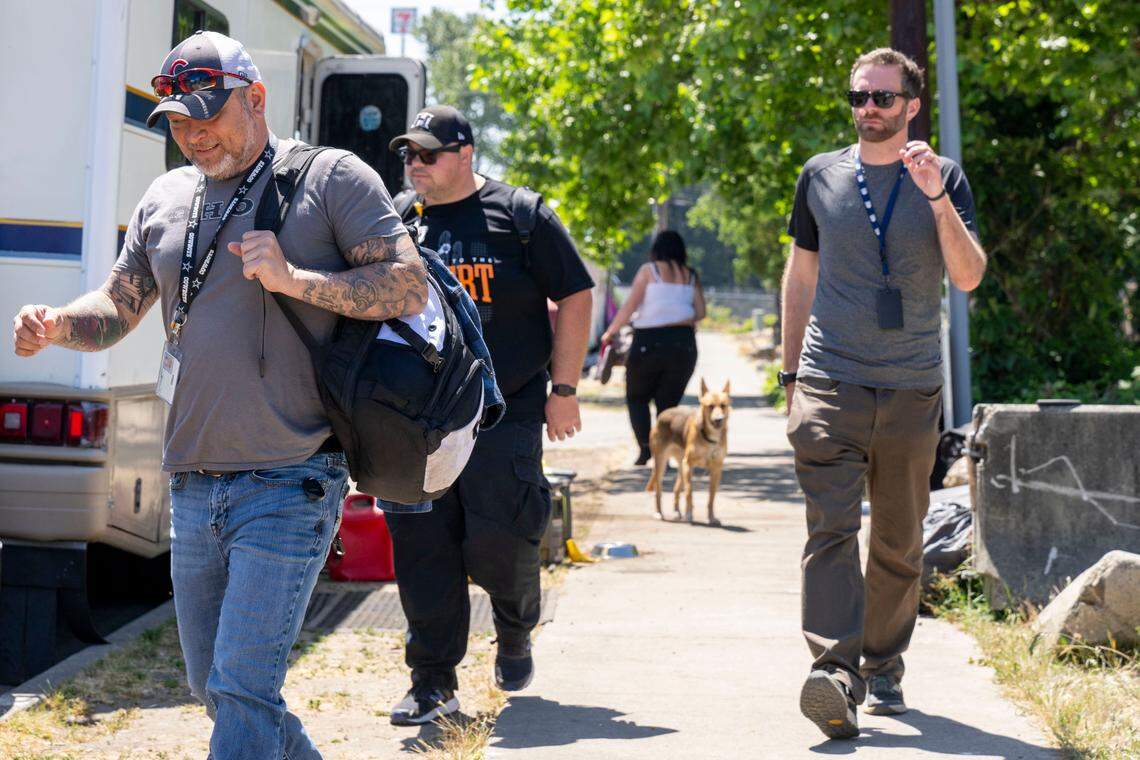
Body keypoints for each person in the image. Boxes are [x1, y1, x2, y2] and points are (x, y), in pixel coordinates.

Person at [12, 31, 427, 759]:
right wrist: (56, 326)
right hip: (193, 487)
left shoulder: (330, 178)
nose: (192, 135)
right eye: (177, 121)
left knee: (240, 688)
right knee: (218, 687)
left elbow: (407, 283)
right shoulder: (167, 197)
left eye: (207, 115)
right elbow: (118, 307)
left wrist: (299, 281)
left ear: (256, 99)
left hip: (291, 479)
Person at [780, 47, 987, 740]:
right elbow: (800, 277)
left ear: (911, 105)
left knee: (899, 542)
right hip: (829, 381)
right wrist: (790, 378)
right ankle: (836, 672)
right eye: (858, 98)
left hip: (909, 388)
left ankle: (885, 661)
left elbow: (969, 277)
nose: (867, 109)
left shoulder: (946, 178)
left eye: (881, 98)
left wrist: (933, 196)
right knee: (830, 531)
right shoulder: (819, 176)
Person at [382, 106, 595, 724]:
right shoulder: (397, 219)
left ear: (465, 153)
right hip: (415, 417)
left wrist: (566, 387)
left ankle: (514, 622)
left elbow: (576, 294)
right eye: (408, 155)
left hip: (507, 410)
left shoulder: (520, 215)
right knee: (423, 545)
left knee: (499, 540)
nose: (415, 165)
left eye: (428, 154)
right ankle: (431, 681)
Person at [601, 230, 706, 465]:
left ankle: (646, 449)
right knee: (668, 404)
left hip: (649, 341)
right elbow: (701, 312)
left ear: (656, 250)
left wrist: (610, 332)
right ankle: (665, 453)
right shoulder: (691, 275)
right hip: (684, 344)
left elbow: (630, 305)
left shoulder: (649, 271)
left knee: (637, 397)